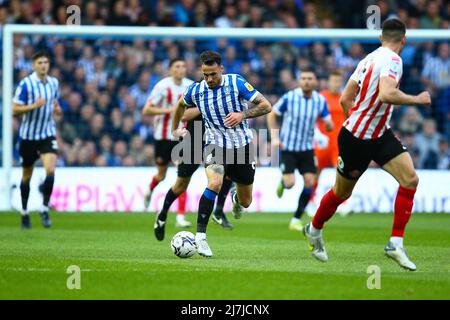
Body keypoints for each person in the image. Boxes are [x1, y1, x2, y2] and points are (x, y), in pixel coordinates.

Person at [302, 19, 431, 271]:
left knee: (410, 180)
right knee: (341, 193)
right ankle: (314, 228)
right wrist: (417, 100)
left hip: (379, 134)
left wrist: (362, 119)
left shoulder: (367, 59)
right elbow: (386, 94)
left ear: (381, 38)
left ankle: (395, 243)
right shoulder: (394, 60)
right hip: (357, 139)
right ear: (403, 40)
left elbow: (345, 99)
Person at [167, 50, 272, 257]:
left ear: (221, 69)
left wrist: (242, 114)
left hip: (242, 147)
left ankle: (234, 199)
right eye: (205, 74)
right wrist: (174, 128)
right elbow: (179, 106)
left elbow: (266, 106)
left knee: (246, 201)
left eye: (213, 74)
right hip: (214, 144)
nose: (210, 79)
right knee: (214, 183)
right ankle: (201, 237)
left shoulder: (236, 83)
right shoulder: (196, 90)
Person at [152, 102, 233, 242]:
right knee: (180, 186)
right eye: (208, 77)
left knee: (226, 172)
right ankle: (162, 215)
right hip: (193, 142)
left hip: (215, 142)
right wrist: (206, 106)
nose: (211, 78)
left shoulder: (226, 91)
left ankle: (219, 211)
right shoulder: (197, 91)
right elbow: (184, 115)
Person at [267, 68, 334, 231]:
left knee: (310, 182)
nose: (306, 81)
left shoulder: (320, 100)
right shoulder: (290, 97)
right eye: (303, 78)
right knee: (290, 183)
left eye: (310, 78)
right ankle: (283, 182)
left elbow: (328, 122)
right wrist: (275, 137)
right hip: (288, 147)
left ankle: (295, 219)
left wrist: (329, 126)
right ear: (299, 81)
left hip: (307, 149)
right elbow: (272, 114)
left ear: (315, 81)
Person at [12, 51, 63, 229]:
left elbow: (54, 103)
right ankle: (25, 212)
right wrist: (34, 105)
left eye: (46, 62)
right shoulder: (26, 84)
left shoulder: (54, 83)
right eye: (40, 63)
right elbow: (14, 110)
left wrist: (57, 109)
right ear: (34, 65)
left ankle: (44, 208)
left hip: (47, 134)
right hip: (28, 137)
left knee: (50, 169)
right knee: (27, 175)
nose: (43, 65)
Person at [142, 59, 193, 228]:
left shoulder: (191, 86)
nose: (181, 69)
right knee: (161, 175)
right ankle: (150, 190)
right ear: (170, 70)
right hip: (163, 137)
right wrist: (170, 111)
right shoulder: (162, 86)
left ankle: (180, 216)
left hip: (181, 137)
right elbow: (146, 110)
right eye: (177, 66)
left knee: (182, 174)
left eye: (183, 66)